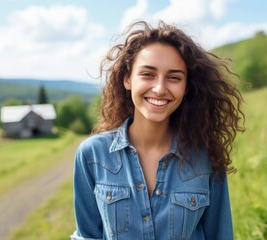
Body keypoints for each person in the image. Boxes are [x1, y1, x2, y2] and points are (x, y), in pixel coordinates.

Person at [71, 20, 245, 240]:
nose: (160, 89)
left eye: (174, 77)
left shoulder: (205, 156)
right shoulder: (92, 155)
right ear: (127, 79)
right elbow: (87, 235)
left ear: (186, 87)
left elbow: (221, 235)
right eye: (148, 74)